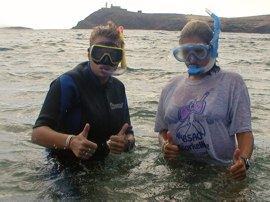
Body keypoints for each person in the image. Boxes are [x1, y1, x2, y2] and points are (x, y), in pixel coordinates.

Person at [154, 10, 254, 181]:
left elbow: (244, 132)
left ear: (213, 48)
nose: (191, 58)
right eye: (186, 52)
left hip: (221, 172)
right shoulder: (170, 86)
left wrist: (243, 161)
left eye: (198, 51)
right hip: (180, 172)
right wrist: (165, 146)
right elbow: (162, 131)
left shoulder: (232, 82)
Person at [32, 22, 135, 166]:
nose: (106, 60)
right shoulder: (67, 83)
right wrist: (71, 142)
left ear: (119, 60)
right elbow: (37, 134)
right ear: (89, 54)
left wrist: (125, 143)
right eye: (99, 52)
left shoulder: (118, 88)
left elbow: (129, 133)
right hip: (64, 167)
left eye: (113, 55)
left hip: (102, 164)